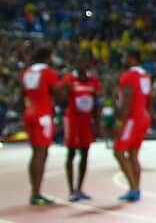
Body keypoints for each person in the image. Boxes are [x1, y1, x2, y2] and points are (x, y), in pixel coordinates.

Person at [22, 47, 62, 206]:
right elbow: (57, 93)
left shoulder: (27, 72)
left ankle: (34, 191)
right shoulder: (48, 73)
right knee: (41, 153)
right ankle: (36, 193)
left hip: (30, 112)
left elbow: (22, 94)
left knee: (35, 153)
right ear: (47, 58)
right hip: (43, 115)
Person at [63, 57, 103, 201]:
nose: (83, 65)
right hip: (73, 119)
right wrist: (65, 91)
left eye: (86, 63)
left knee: (85, 153)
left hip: (86, 121)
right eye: (80, 62)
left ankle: (79, 188)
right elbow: (61, 98)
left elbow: (97, 102)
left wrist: (98, 123)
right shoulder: (69, 79)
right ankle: (71, 190)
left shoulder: (93, 80)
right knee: (71, 152)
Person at [113, 50, 152, 202]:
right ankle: (136, 188)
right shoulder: (145, 76)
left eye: (125, 56)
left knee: (118, 151)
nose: (123, 59)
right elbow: (150, 97)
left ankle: (133, 188)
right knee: (134, 154)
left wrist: (119, 123)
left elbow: (127, 101)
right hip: (143, 116)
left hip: (131, 118)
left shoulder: (128, 76)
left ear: (132, 58)